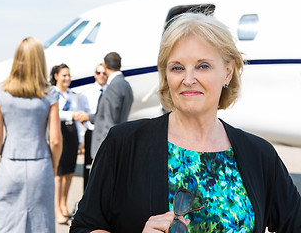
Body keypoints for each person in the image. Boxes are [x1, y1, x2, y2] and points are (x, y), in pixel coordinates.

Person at [70, 13, 301, 232]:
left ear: (228, 73)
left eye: (203, 66)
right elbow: (83, 227)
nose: (188, 79)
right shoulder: (124, 143)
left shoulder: (259, 155)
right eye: (177, 68)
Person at [0, 37, 62, 232]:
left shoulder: (0, 92)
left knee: (9, 224)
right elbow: (55, 139)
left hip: (10, 165)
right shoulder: (49, 93)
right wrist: (53, 165)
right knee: (41, 224)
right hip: (40, 164)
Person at [74, 52, 134, 160]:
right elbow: (109, 115)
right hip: (120, 141)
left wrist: (103, 154)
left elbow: (109, 123)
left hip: (108, 149)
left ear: (105, 66)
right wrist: (88, 117)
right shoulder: (126, 85)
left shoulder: (113, 86)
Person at [50, 63, 83, 225]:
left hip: (71, 135)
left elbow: (77, 121)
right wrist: (72, 114)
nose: (67, 78)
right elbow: (55, 114)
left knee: (69, 173)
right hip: (59, 133)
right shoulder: (52, 94)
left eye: (69, 75)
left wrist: (80, 140)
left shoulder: (71, 94)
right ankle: (56, 209)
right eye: (64, 75)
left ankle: (63, 204)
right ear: (56, 76)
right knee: (59, 174)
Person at [77, 63, 108, 190]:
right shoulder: (86, 94)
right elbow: (80, 117)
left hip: (106, 133)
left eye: (104, 73)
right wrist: (81, 140)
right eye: (98, 73)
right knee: (89, 169)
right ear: (94, 75)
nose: (101, 76)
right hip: (91, 133)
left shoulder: (111, 93)